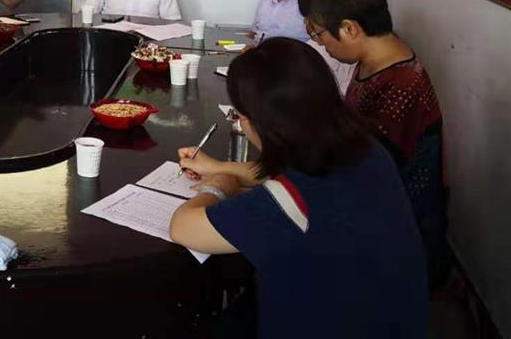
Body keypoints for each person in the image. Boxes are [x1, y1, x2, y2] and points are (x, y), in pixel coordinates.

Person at [169, 38, 427, 338]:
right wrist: (220, 167)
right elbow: (287, 176)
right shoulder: (365, 149)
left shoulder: (288, 206)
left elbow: (183, 227)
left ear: (261, 123)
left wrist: (216, 187)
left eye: (239, 117)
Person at [298, 0, 448, 288]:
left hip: (394, 235)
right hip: (362, 196)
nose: (321, 45)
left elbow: (364, 173)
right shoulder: (374, 57)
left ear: (349, 28)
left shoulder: (401, 86)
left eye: (319, 35)